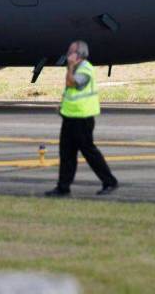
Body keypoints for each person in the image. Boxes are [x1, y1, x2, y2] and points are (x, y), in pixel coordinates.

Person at [45, 40, 118, 197]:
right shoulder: (77, 68)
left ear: (80, 55)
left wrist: (69, 67)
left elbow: (71, 83)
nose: (68, 54)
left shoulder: (85, 69)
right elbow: (71, 92)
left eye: (71, 52)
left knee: (89, 152)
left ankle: (110, 181)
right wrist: (62, 107)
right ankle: (63, 187)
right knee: (66, 154)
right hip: (70, 117)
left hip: (82, 119)